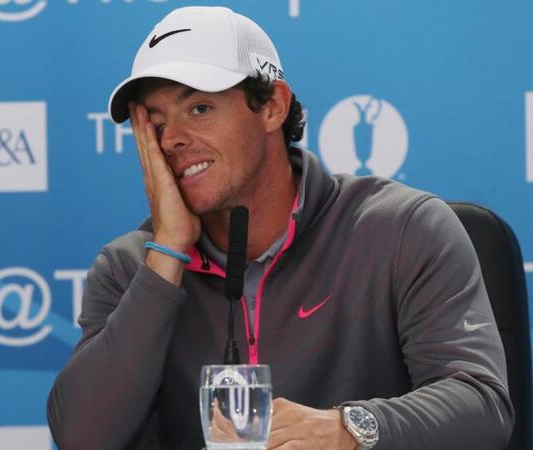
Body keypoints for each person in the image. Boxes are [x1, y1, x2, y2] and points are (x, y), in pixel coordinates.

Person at [47, 6, 513, 449]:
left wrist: (344, 431)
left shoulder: (401, 229)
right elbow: (84, 439)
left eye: (199, 109)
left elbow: (482, 407)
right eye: (156, 123)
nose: (173, 140)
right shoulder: (132, 266)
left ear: (272, 105)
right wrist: (168, 250)